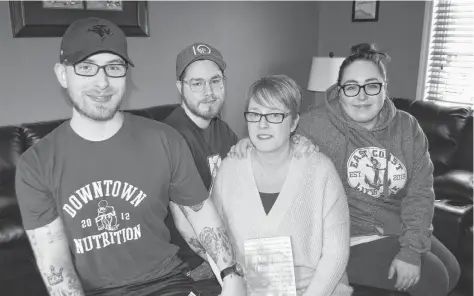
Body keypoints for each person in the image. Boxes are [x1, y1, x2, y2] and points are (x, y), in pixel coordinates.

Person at [15, 18, 245, 296]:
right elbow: (56, 267)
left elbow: (201, 215)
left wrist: (231, 276)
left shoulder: (165, 139)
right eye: (86, 67)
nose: (102, 82)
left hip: (169, 284)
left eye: (114, 67)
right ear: (62, 74)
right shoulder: (35, 166)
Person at [232, 43, 461, 295]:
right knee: (434, 278)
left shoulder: (407, 127)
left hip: (393, 225)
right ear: (340, 90)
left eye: (371, 85)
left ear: (385, 88)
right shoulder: (317, 124)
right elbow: (276, 130)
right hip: (347, 236)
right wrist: (251, 143)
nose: (361, 96)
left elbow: (420, 193)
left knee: (452, 269)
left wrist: (411, 249)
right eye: (351, 87)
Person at [162, 42, 316, 281]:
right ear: (180, 88)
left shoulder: (218, 127)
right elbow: (187, 227)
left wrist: (292, 144)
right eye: (197, 83)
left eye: (215, 81)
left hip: (233, 242)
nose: (208, 91)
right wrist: (234, 264)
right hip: (195, 263)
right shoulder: (171, 137)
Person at [213, 74, 353, 296]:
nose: (262, 124)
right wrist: (234, 282)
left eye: (275, 115)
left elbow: (336, 253)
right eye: (255, 114)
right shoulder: (229, 169)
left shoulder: (320, 171)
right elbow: (214, 239)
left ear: (294, 122)